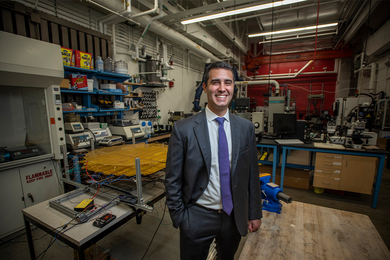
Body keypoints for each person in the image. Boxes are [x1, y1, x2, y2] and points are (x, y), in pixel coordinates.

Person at [165, 61, 262, 260]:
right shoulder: (183, 129)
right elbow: (172, 179)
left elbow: (252, 174)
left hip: (234, 216)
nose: (222, 88)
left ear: (234, 87)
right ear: (205, 87)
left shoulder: (246, 128)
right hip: (197, 216)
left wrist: (254, 213)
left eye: (228, 82)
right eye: (215, 82)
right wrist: (181, 218)